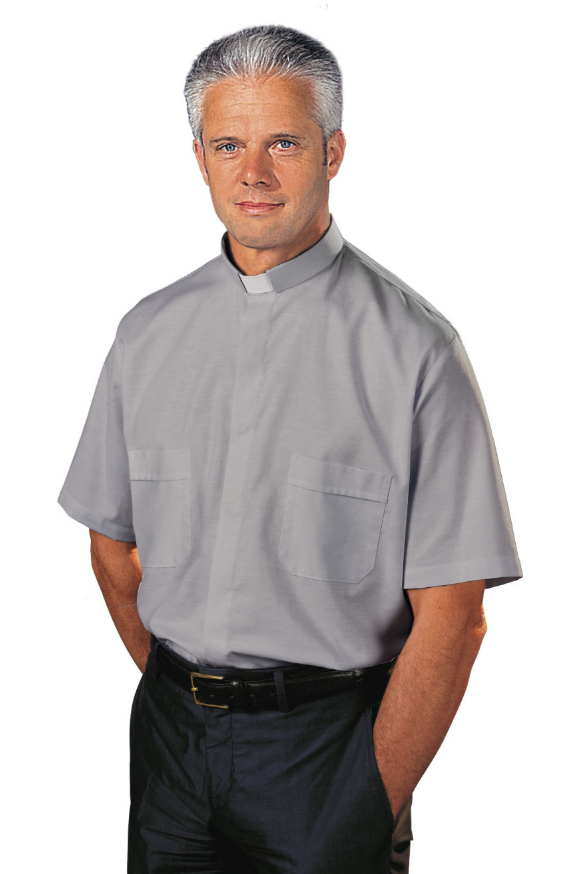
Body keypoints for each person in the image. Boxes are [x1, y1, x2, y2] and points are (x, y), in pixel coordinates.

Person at [57, 24, 523, 874]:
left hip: (329, 756)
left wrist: (368, 796)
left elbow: (455, 618)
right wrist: (189, 698)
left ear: (333, 152)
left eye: (284, 143)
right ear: (198, 159)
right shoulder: (146, 334)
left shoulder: (416, 352)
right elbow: (111, 546)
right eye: (228, 145)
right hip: (169, 750)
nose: (254, 173)